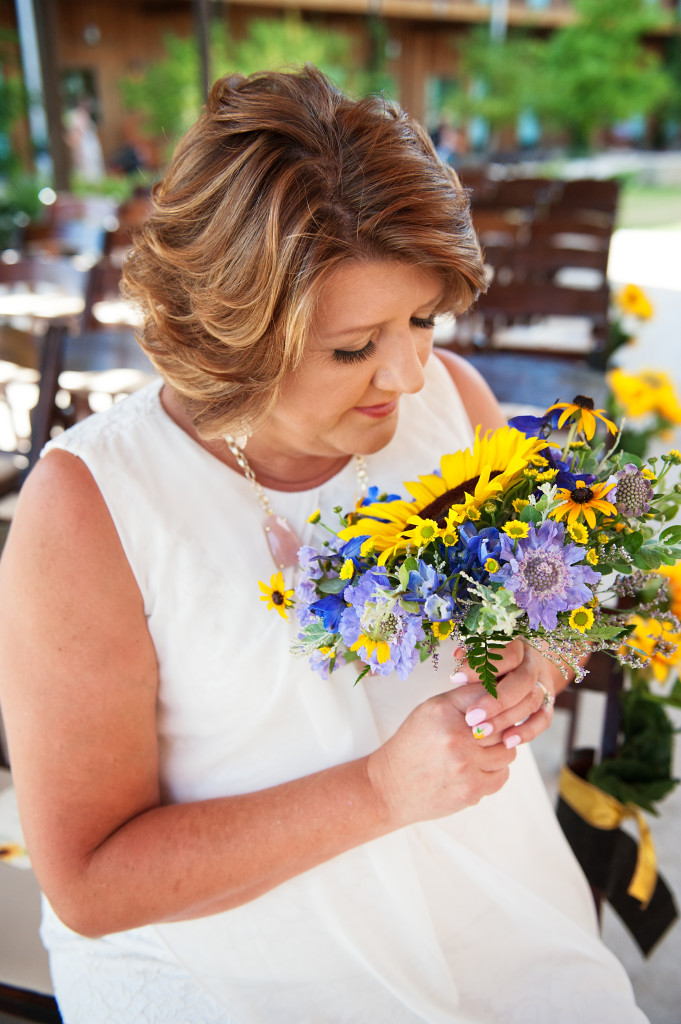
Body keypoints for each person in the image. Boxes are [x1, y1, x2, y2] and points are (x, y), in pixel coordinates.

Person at [0, 67, 648, 1023]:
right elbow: (92, 882)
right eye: (354, 348)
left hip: (481, 906)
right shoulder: (91, 509)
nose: (409, 370)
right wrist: (379, 793)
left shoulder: (452, 404)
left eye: (423, 318)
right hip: (225, 957)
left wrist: (536, 667)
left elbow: (557, 616)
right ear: (228, 332)